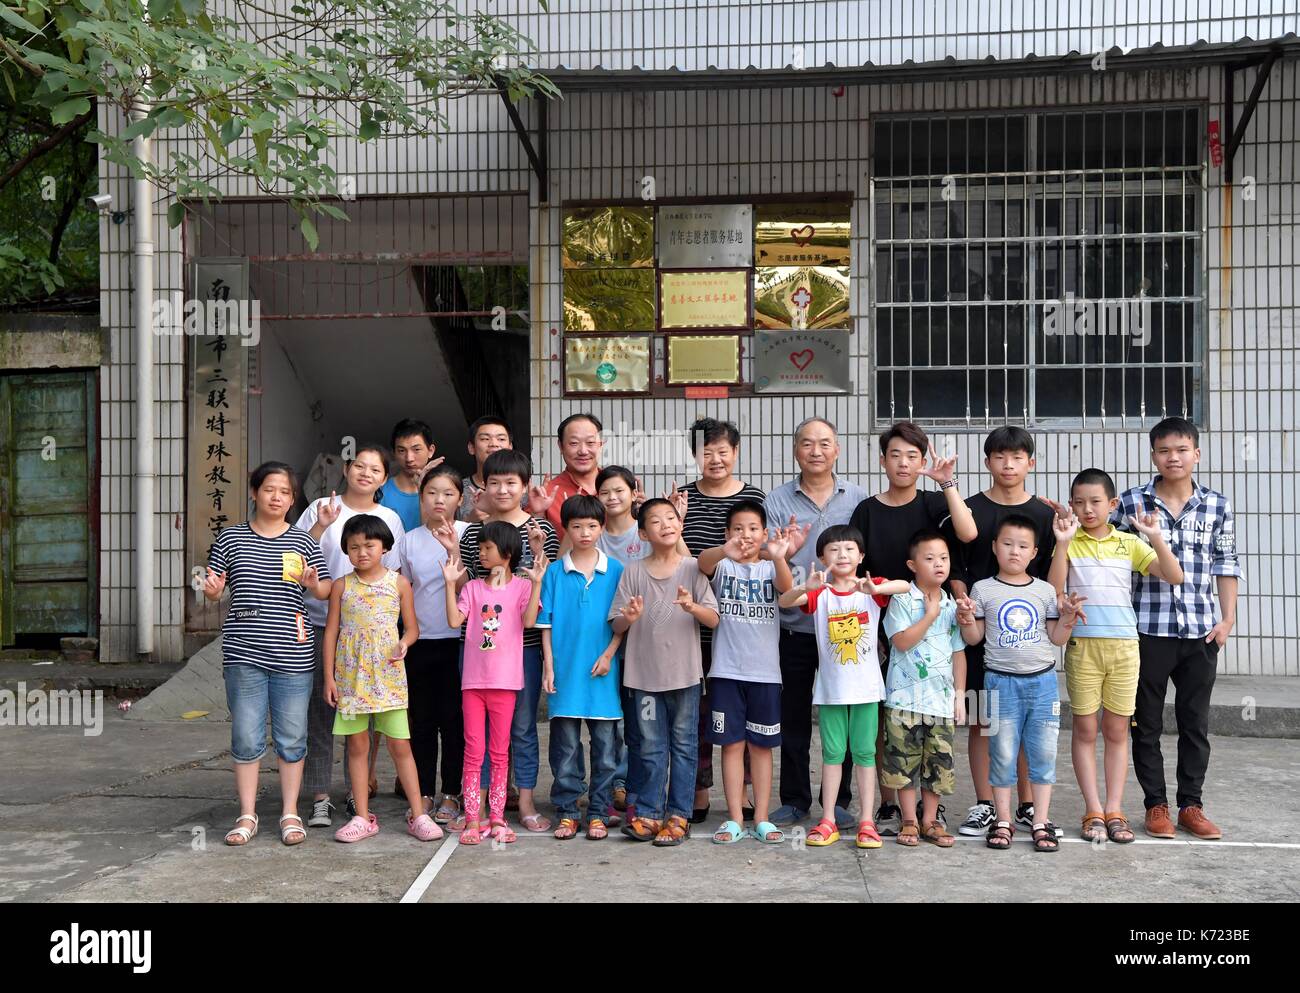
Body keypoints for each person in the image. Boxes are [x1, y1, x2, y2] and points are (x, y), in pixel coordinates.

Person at [1115, 418, 1242, 841]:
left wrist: (1226, 621)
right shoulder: (1130, 504)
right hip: (1146, 632)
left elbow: (1226, 566)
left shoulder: (1217, 506)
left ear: (1196, 454)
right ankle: (1156, 806)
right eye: (1165, 450)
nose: (1174, 457)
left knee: (1195, 723)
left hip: (1201, 633)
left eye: (1182, 449)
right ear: (1153, 455)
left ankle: (1192, 805)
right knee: (1145, 723)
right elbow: (1110, 560)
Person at [849, 421, 976, 835]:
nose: (903, 463)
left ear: (923, 461)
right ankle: (891, 806)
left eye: (912, 456)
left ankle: (929, 811)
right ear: (882, 459)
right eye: (895, 455)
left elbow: (968, 532)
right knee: (891, 715)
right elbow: (857, 566)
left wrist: (947, 484)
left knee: (930, 723)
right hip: (877, 620)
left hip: (931, 617)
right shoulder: (867, 509)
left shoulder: (933, 503)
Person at [1048, 469, 1183, 844]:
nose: (1087, 509)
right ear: (1071, 505)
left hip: (1125, 648)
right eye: (1079, 502)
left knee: (1117, 730)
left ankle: (1115, 809)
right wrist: (1061, 544)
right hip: (1083, 647)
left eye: (1095, 502)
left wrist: (1155, 537)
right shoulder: (1068, 541)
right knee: (1086, 729)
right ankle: (1092, 808)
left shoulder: (1129, 543)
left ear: (1112, 504)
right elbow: (1053, 590)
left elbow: (1174, 576)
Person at [203, 461, 333, 848]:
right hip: (243, 653)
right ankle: (247, 815)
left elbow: (324, 590)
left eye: (285, 493)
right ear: (254, 492)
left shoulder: (303, 542)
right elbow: (211, 588)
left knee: (292, 736)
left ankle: (290, 813)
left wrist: (314, 583)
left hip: (293, 654)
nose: (277, 497)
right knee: (245, 735)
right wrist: (210, 589)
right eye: (270, 489)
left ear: (292, 500)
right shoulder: (230, 539)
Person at [946, 425, 1065, 839]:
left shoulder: (1045, 515)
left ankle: (1029, 805)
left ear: (1031, 463)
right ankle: (985, 805)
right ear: (987, 462)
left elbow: (1053, 576)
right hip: (980, 625)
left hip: (1027, 634)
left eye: (1017, 457)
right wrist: (965, 605)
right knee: (985, 721)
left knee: (1029, 722)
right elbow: (956, 567)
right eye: (999, 456)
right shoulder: (970, 508)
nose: (1008, 464)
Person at [955, 515, 1085, 853]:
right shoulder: (983, 589)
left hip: (1042, 683)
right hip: (999, 683)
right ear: (995, 547)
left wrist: (1068, 619)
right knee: (1002, 753)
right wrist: (967, 618)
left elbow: (1057, 639)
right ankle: (1002, 820)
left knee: (1043, 754)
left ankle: (1040, 821)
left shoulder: (1044, 591)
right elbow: (974, 638)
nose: (1015, 551)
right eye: (1008, 544)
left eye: (1023, 546)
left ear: (1034, 553)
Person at [778, 525, 910, 848]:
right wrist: (802, 588)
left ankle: (867, 820)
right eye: (833, 551)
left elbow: (904, 586)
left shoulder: (870, 590)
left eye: (849, 549)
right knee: (833, 754)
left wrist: (877, 589)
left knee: (865, 755)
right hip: (832, 692)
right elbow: (784, 601)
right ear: (822, 557)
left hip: (866, 691)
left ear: (861, 556)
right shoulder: (819, 593)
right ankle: (828, 820)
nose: (842, 555)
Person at [296, 445, 406, 827]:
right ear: (347, 468)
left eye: (375, 469)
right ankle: (321, 796)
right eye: (359, 465)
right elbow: (297, 555)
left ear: (383, 479)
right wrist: (323, 524)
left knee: (363, 720)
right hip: (319, 624)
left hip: (369, 635)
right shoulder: (319, 508)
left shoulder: (389, 517)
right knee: (323, 714)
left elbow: (393, 575)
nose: (365, 473)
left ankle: (355, 797)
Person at [764, 417, 863, 828]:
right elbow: (771, 558)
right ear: (795, 451)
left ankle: (838, 799)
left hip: (844, 626)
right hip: (795, 626)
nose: (816, 451)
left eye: (825, 443)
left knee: (842, 713)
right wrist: (786, 552)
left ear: (837, 450)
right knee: (795, 717)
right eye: (807, 444)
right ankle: (794, 799)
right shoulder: (777, 500)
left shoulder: (858, 498)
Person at [456, 449, 559, 833]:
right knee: (478, 735)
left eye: (511, 482)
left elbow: (544, 585)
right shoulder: (472, 533)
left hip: (525, 647)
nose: (502, 489)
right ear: (483, 486)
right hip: (479, 648)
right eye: (494, 482)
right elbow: (468, 588)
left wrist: (536, 547)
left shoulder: (541, 530)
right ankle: (479, 807)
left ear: (524, 487)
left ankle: (526, 800)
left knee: (522, 728)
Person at [324, 515, 440, 843]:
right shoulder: (341, 586)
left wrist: (404, 643)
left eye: (369, 545)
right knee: (357, 745)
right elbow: (331, 631)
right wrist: (329, 678)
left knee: (400, 744)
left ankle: (419, 814)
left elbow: (413, 628)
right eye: (354, 547)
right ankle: (362, 816)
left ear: (385, 547)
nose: (362, 552)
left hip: (389, 677)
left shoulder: (399, 583)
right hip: (350, 679)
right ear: (346, 551)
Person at [612, 498, 720, 846]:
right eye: (655, 521)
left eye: (671, 518)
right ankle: (649, 813)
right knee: (650, 746)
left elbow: (714, 619)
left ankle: (679, 815)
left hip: (685, 676)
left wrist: (692, 607)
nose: (666, 524)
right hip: (643, 678)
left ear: (681, 524)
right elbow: (616, 624)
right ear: (642, 533)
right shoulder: (632, 571)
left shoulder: (693, 568)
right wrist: (628, 617)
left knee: (685, 745)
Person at [678, 416, 766, 822]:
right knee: (696, 713)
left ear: (736, 452)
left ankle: (744, 793)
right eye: (705, 451)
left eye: (722, 450)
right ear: (695, 454)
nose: (715, 458)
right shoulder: (681, 499)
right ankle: (699, 791)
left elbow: (764, 553)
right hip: (690, 625)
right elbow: (681, 560)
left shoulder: (754, 499)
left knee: (742, 711)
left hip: (743, 626)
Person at [697, 501, 796, 845]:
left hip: (766, 674)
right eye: (737, 529)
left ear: (765, 534)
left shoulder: (770, 568)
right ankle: (735, 818)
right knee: (731, 745)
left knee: (762, 748)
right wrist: (723, 549)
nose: (745, 535)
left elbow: (787, 588)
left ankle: (763, 817)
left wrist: (780, 555)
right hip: (725, 671)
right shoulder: (723, 566)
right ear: (727, 534)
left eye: (753, 528)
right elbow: (702, 563)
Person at [443, 522, 547, 844]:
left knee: (500, 752)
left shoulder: (522, 588)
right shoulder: (472, 588)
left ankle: (498, 817)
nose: (482, 553)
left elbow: (529, 622)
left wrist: (538, 584)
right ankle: (474, 818)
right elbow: (453, 621)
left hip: (506, 683)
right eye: (481, 547)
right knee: (474, 752)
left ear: (507, 552)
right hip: (473, 683)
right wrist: (450, 585)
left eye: (488, 548)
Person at [538, 495, 625, 840]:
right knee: (566, 748)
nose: (585, 532)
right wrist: (548, 667)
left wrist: (609, 654)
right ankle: (568, 810)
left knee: (606, 750)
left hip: (603, 675)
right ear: (567, 529)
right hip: (565, 674)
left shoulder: (617, 570)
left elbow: (622, 622)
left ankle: (600, 811)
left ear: (602, 527)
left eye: (592, 525)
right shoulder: (555, 573)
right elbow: (546, 623)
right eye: (576, 526)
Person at [881, 529, 968, 848]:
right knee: (903, 764)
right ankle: (908, 819)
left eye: (943, 558)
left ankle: (929, 820)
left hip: (941, 702)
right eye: (929, 559)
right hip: (904, 700)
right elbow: (901, 642)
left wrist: (960, 695)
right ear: (912, 564)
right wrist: (930, 615)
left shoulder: (952, 604)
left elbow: (959, 652)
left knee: (938, 766)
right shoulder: (902, 599)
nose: (938, 564)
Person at [395, 466, 471, 825]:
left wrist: (455, 550)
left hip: (461, 643)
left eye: (448, 493)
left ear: (460, 498)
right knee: (421, 721)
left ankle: (452, 794)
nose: (439, 500)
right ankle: (423, 792)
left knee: (454, 721)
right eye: (431, 493)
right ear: (421, 497)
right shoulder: (409, 540)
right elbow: (404, 592)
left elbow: (473, 589)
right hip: (422, 641)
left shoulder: (470, 534)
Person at [534, 412, 605, 533]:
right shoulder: (548, 494)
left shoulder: (619, 488)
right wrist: (537, 515)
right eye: (574, 443)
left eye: (590, 443)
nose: (583, 451)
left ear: (601, 445)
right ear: (560, 446)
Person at [378, 419, 443, 532]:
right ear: (394, 453)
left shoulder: (443, 493)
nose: (409, 458)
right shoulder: (381, 492)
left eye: (416, 449)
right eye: (402, 451)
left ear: (430, 450)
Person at [458, 416, 517, 523]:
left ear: (510, 447)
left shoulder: (521, 490)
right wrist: (469, 521)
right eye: (485, 439)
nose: (494, 444)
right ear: (471, 447)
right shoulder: (458, 489)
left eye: (501, 439)